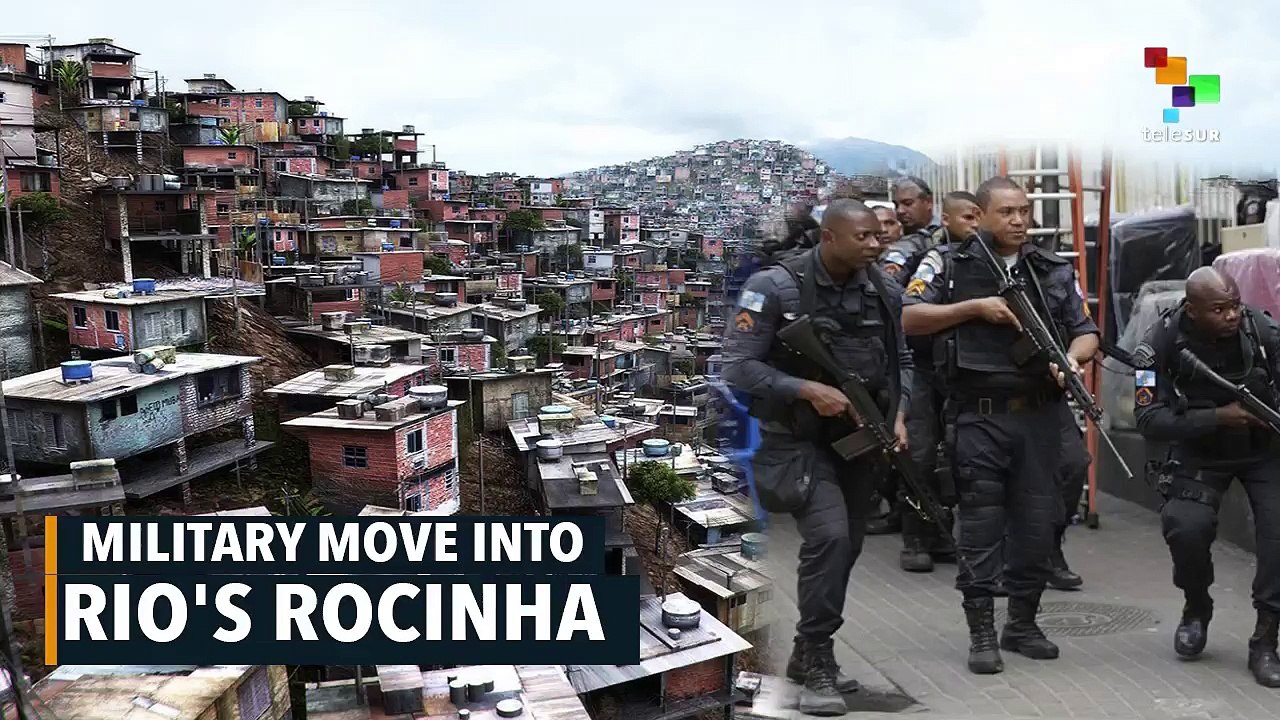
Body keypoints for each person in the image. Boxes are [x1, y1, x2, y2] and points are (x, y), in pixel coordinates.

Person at [900, 176, 1099, 675]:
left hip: (1040, 416)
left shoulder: (1051, 268)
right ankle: (982, 631)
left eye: (1024, 212)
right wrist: (974, 309)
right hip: (978, 417)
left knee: (1038, 526)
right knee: (981, 529)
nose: (1018, 220)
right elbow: (907, 316)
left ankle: (1023, 623)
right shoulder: (947, 263)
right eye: (1006, 212)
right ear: (981, 215)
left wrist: (1071, 362)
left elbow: (1086, 332)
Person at [722, 198, 913, 715]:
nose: (877, 244)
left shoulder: (884, 290)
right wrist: (805, 388)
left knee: (846, 546)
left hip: (859, 440)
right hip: (797, 441)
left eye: (879, 235)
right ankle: (821, 661)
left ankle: (808, 653)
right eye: (864, 237)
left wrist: (899, 414)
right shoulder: (773, 288)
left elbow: (902, 361)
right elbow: (736, 367)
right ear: (829, 237)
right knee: (829, 537)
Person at [1133, 266, 1280, 688]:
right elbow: (1148, 417)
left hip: (1263, 450)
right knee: (1186, 527)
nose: (1232, 314)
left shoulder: (1262, 333)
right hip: (1201, 450)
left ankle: (1265, 639)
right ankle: (1197, 606)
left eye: (1234, 304)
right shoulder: (1158, 343)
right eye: (1219, 309)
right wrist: (1218, 417)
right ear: (1192, 311)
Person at [894, 190, 981, 571]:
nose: (975, 225)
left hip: (967, 370)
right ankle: (916, 537)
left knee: (962, 454)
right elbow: (907, 306)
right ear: (946, 219)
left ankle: (946, 534)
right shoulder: (929, 255)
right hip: (924, 365)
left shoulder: (992, 261)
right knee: (921, 454)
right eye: (967, 218)